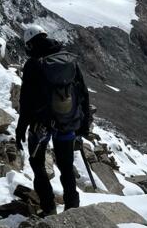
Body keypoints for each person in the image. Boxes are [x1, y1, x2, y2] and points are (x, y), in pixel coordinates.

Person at [15, 25, 91, 215]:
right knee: (66, 167)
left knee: (37, 164)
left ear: (31, 43)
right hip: (66, 122)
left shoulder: (33, 64)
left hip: (41, 124)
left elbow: (26, 100)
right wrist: (84, 123)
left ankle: (48, 207)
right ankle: (72, 207)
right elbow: (82, 92)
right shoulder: (67, 59)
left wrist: (21, 128)